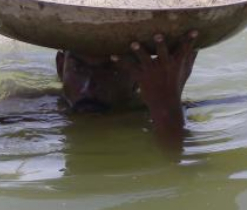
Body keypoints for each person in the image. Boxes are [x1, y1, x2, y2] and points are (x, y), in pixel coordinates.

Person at [55, 30, 199, 150]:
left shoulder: (150, 115)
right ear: (61, 66)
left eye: (109, 69)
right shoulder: (38, 110)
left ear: (138, 76)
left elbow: (182, 170)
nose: (90, 85)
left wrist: (167, 105)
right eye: (78, 68)